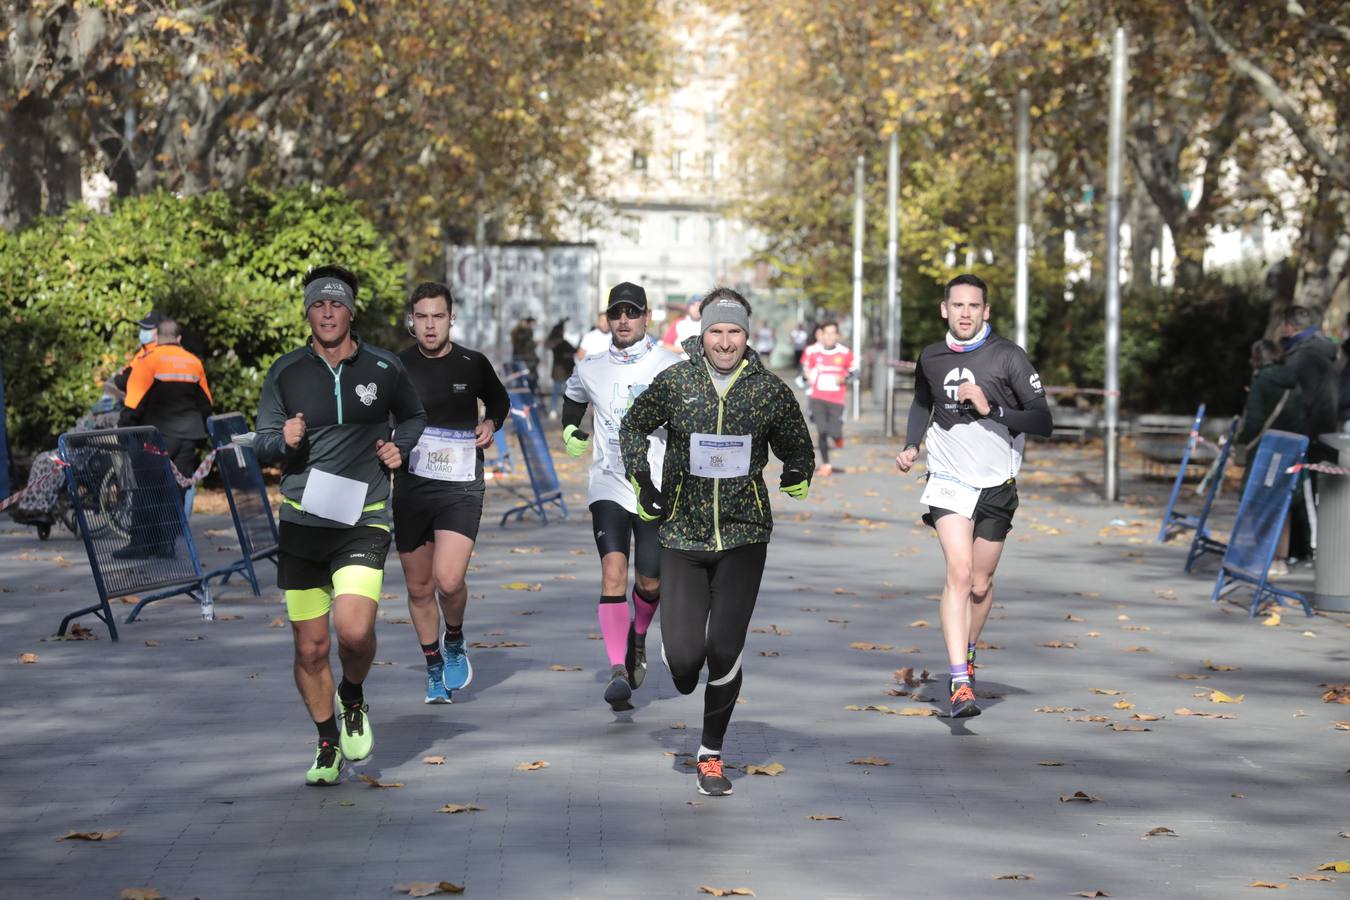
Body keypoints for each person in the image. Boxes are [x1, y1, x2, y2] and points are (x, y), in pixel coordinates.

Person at [620, 287, 814, 796]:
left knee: (725, 648)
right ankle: (678, 660)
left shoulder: (768, 390)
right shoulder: (677, 381)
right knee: (686, 663)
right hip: (682, 534)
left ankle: (710, 753)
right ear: (702, 333)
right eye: (716, 331)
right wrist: (643, 481)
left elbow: (797, 444)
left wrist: (798, 471)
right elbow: (632, 425)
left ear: (746, 336)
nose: (725, 342)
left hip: (744, 534)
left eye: (734, 332)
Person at [254, 264, 427, 786]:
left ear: (351, 312)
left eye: (336, 304)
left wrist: (401, 446)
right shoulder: (286, 371)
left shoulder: (384, 366)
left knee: (353, 632)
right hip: (303, 521)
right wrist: (283, 440)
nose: (327, 313)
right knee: (310, 648)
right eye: (318, 304)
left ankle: (352, 695)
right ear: (307, 312)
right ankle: (327, 739)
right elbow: (262, 441)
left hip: (363, 517)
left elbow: (413, 417)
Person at [895, 274, 1052, 719]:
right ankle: (959, 681)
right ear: (944, 309)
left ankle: (968, 651)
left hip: (996, 482)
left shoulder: (1008, 356)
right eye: (958, 305)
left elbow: (1043, 421)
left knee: (980, 585)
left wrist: (992, 409)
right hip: (948, 478)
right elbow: (922, 402)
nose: (965, 313)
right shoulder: (931, 356)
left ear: (985, 311)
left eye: (973, 306)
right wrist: (912, 444)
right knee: (959, 573)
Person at [560, 282, 681, 710]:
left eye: (632, 312)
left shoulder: (670, 365)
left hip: (655, 486)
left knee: (649, 581)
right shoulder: (590, 367)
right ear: (608, 319)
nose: (624, 320)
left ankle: (639, 637)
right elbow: (572, 400)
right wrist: (571, 429)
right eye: (616, 313)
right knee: (613, 571)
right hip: (609, 482)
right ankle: (617, 669)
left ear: (646, 316)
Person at [394, 282, 510, 704]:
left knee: (448, 579)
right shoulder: (396, 366)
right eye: (422, 317)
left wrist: (490, 423)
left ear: (451, 318)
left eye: (438, 316)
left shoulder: (471, 363)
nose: (430, 325)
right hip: (412, 487)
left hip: (460, 485)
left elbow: (499, 400)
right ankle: (433, 666)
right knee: (419, 588)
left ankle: (455, 638)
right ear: (411, 321)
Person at [114, 319, 214, 556]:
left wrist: (124, 430)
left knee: (146, 489)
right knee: (175, 490)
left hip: (156, 436)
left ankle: (141, 545)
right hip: (188, 436)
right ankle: (166, 543)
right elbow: (206, 403)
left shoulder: (149, 360)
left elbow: (134, 403)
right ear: (179, 339)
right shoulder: (193, 362)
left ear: (157, 337)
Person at [1236, 339, 1306, 576]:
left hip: (1265, 452)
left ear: (1257, 357)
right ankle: (1280, 558)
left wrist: (1241, 441)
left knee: (1257, 500)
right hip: (1289, 449)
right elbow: (1301, 418)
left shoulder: (1261, 381)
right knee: (1282, 503)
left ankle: (1261, 555)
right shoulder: (1293, 381)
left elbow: (1254, 421)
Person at [1279, 306, 1339, 564]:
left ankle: (1304, 547)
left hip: (1308, 432)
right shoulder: (1321, 352)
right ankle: (1302, 547)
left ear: (1290, 326)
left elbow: (1301, 399)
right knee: (1309, 490)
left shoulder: (1304, 357)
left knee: (1303, 491)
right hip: (1321, 430)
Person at [800, 321, 856, 477]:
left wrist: (844, 377)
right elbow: (805, 371)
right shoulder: (814, 352)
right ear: (821, 335)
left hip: (836, 400)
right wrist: (806, 376)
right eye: (827, 333)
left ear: (838, 335)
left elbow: (855, 372)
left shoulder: (845, 352)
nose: (830, 336)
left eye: (833, 333)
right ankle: (826, 464)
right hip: (817, 398)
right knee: (822, 431)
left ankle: (838, 437)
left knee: (834, 432)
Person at [545, 320, 577, 418]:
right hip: (561, 372)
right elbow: (573, 351)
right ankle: (555, 410)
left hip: (563, 372)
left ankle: (558, 410)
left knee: (563, 392)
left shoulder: (560, 343)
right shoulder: (558, 343)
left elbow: (574, 351)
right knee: (560, 392)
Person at [510, 314, 540, 396]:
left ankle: (528, 400)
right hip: (526, 362)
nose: (533, 326)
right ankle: (527, 400)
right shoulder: (522, 333)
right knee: (528, 383)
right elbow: (526, 346)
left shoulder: (520, 333)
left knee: (527, 383)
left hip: (525, 361)